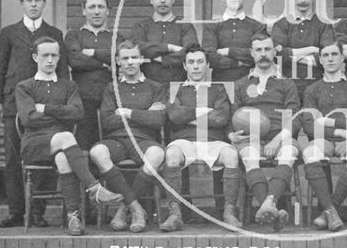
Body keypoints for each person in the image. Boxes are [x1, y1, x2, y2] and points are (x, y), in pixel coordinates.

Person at [15, 36, 122, 235]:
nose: (49, 60)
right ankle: (94, 188)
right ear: (34, 57)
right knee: (66, 136)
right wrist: (60, 114)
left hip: (62, 145)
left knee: (64, 158)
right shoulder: (24, 87)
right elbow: (28, 119)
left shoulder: (69, 86)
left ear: (59, 58)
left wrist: (45, 109)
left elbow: (77, 113)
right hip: (33, 145)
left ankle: (73, 218)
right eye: (45, 55)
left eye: (54, 55)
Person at [0, 0, 68, 228]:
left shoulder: (55, 33)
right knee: (14, 157)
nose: (33, 4)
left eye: (38, 0)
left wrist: (62, 100)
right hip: (14, 104)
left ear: (44, 3)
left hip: (46, 105)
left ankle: (37, 212)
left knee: (44, 155)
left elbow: (63, 70)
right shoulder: (9, 32)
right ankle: (16, 212)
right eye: (29, 0)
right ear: (22, 4)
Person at [160, 45, 242, 231]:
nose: (196, 66)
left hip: (213, 140)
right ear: (184, 66)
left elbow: (221, 118)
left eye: (200, 62)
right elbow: (174, 116)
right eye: (191, 62)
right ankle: (175, 214)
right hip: (184, 141)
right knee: (172, 154)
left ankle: (229, 212)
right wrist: (204, 112)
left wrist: (189, 118)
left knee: (231, 155)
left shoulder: (218, 89)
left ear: (207, 66)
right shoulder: (176, 90)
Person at [89, 40, 167, 233]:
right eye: (125, 58)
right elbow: (107, 121)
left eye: (134, 57)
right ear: (117, 61)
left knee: (157, 154)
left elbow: (158, 120)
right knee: (97, 152)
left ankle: (123, 210)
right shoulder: (111, 88)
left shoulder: (155, 88)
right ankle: (137, 208)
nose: (130, 62)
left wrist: (126, 112)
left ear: (141, 59)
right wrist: (144, 114)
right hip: (117, 140)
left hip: (143, 140)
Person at [229, 32, 301, 231]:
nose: (263, 54)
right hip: (250, 138)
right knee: (248, 155)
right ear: (252, 53)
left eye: (267, 49)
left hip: (279, 135)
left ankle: (268, 203)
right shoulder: (241, 84)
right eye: (258, 50)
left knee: (289, 152)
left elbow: (295, 118)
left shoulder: (287, 83)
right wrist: (232, 135)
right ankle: (272, 208)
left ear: (274, 51)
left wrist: (277, 140)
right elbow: (231, 117)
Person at [301, 41, 347, 231]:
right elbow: (309, 126)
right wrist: (342, 130)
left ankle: (328, 212)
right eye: (325, 55)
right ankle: (332, 211)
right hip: (323, 140)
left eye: (334, 54)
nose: (330, 59)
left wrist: (329, 123)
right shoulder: (312, 90)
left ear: (342, 57)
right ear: (320, 61)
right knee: (310, 154)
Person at [65, 0, 125, 150]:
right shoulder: (74, 35)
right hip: (83, 100)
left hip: (110, 100)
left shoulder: (117, 37)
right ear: (84, 10)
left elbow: (120, 59)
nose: (96, 11)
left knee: (109, 146)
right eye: (92, 7)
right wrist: (105, 63)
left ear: (108, 10)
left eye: (101, 7)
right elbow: (75, 60)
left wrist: (91, 53)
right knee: (85, 145)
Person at [272, 0, 335, 100]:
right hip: (286, 88)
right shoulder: (280, 25)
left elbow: (328, 56)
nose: (302, 0)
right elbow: (277, 55)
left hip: (318, 87)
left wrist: (290, 55)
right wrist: (312, 49)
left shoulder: (324, 25)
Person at [130, 0, 199, 87]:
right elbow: (137, 47)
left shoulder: (185, 26)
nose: (162, 0)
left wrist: (161, 59)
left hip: (179, 86)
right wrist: (170, 47)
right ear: (151, 0)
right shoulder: (141, 26)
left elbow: (190, 53)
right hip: (147, 87)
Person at [202, 0, 266, 82]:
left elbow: (259, 55)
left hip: (251, 84)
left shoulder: (257, 26)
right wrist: (238, 63)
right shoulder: (212, 26)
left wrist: (228, 51)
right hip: (221, 85)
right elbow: (209, 56)